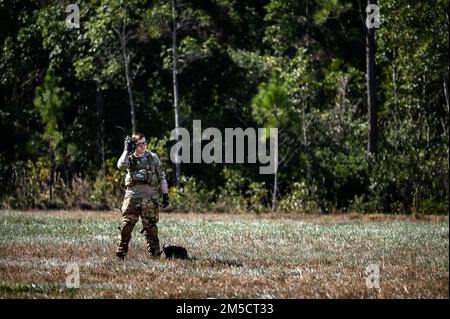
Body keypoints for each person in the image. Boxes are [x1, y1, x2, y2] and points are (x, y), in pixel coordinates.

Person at [115, 133, 169, 259]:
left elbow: (162, 177)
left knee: (151, 227)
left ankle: (155, 254)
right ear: (134, 145)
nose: (143, 146)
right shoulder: (129, 158)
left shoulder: (153, 157)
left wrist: (165, 194)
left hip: (150, 199)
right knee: (126, 225)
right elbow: (120, 165)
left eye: (145, 143)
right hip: (132, 198)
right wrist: (126, 149)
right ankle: (121, 252)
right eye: (140, 144)